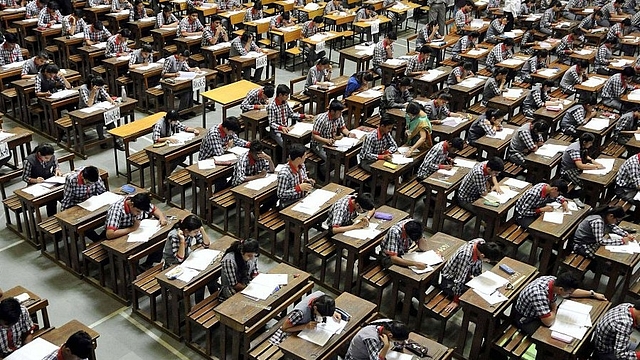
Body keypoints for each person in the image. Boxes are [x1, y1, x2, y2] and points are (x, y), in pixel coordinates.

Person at [514, 272, 606, 335]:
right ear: (561, 289)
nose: (570, 294)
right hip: (526, 318)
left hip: (542, 312)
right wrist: (554, 308)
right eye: (568, 293)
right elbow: (548, 322)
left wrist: (592, 294)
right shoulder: (538, 293)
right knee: (549, 337)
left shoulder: (554, 281)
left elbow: (572, 292)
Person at [162, 214, 215, 302]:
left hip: (186, 259)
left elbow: (206, 244)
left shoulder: (192, 231)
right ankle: (198, 304)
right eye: (195, 232)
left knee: (207, 277)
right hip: (172, 264)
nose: (196, 234)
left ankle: (205, 300)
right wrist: (182, 240)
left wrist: (201, 230)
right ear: (186, 230)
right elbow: (179, 259)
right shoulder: (174, 236)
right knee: (199, 281)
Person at [440, 239, 504, 312]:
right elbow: (459, 280)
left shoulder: (481, 242)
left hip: (466, 275)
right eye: (487, 260)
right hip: (450, 281)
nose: (487, 262)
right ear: (482, 255)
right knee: (473, 297)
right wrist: (456, 300)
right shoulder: (466, 255)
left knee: (482, 292)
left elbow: (477, 267)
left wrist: (480, 279)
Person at [270, 291, 339, 344]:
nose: (322, 317)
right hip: (295, 331)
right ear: (315, 308)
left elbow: (326, 305)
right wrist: (305, 326)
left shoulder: (321, 297)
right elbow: (284, 328)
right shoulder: (299, 313)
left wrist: (332, 312)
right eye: (321, 315)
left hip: (307, 331)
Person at [311, 100, 354, 180]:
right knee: (331, 158)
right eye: (339, 112)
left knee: (345, 155)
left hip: (333, 141)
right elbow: (315, 136)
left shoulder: (339, 116)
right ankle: (321, 171)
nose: (341, 114)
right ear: (332, 111)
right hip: (319, 144)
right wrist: (326, 141)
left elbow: (342, 127)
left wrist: (348, 134)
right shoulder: (321, 119)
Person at [23, 143, 62, 216]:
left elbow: (56, 166)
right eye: (46, 158)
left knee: (57, 195)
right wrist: (35, 180)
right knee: (50, 198)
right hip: (35, 185)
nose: (48, 160)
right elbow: (25, 177)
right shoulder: (29, 161)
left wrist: (57, 170)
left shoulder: (51, 156)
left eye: (50, 158)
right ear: (39, 154)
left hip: (48, 181)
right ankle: (51, 217)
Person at [345, 320, 409, 360]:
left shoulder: (390, 325)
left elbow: (400, 343)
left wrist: (401, 344)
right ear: (390, 335)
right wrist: (386, 346)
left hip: (373, 353)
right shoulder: (371, 338)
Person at [277, 144, 314, 208]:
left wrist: (307, 181)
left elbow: (304, 177)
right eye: (304, 156)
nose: (306, 157)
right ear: (298, 159)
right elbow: (281, 194)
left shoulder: (302, 165)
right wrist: (298, 189)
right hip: (289, 203)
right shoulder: (284, 174)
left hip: (301, 198)